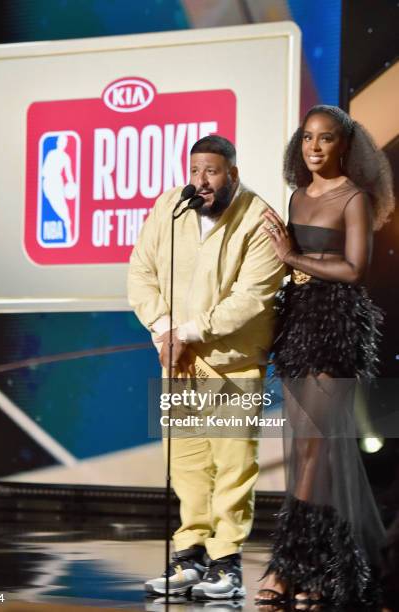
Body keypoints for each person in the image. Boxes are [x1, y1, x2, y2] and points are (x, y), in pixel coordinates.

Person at [128, 135, 285, 599]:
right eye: (195, 171)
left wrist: (186, 334)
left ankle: (226, 565)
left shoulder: (258, 218)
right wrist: (163, 327)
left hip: (231, 364)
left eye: (212, 172)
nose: (201, 181)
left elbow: (252, 298)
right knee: (186, 465)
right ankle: (190, 557)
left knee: (233, 468)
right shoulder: (170, 207)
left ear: (232, 174)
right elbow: (140, 271)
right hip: (178, 363)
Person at [255, 105, 395, 609]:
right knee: (309, 451)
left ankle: (286, 563)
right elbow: (287, 265)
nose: (315, 148)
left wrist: (292, 256)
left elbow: (355, 269)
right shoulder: (296, 197)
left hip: (335, 326)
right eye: (308, 139)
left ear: (345, 145)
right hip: (297, 322)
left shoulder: (353, 198)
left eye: (326, 139)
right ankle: (326, 570)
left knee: (314, 450)